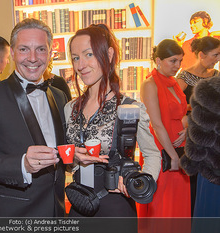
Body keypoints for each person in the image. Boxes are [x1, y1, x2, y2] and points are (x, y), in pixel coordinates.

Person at [0, 18, 68, 217]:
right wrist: (22, 165)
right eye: (23, 49)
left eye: (40, 49)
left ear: (49, 53)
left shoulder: (58, 96)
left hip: (56, 211)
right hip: (14, 214)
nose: (33, 58)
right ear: (12, 53)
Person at [64, 24, 161, 218]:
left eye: (88, 54)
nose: (80, 65)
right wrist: (72, 159)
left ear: (108, 54)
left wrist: (137, 185)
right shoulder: (70, 108)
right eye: (75, 58)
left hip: (115, 208)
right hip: (79, 205)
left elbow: (152, 154)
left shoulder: (129, 108)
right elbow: (68, 162)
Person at [140, 39, 190, 218]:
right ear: (159, 60)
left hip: (180, 149)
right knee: (162, 205)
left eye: (180, 61)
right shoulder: (150, 84)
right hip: (162, 152)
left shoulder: (174, 83)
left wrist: (188, 128)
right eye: (173, 61)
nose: (178, 65)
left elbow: (182, 115)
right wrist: (173, 156)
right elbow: (156, 124)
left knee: (178, 205)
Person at [180, 75, 220, 218]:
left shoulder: (207, 89)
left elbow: (197, 133)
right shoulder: (207, 90)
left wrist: (192, 161)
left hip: (211, 171)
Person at [177, 36, 220, 109]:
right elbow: (173, 105)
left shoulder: (216, 75)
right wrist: (192, 107)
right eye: (215, 55)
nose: (218, 59)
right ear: (201, 55)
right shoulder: (184, 77)